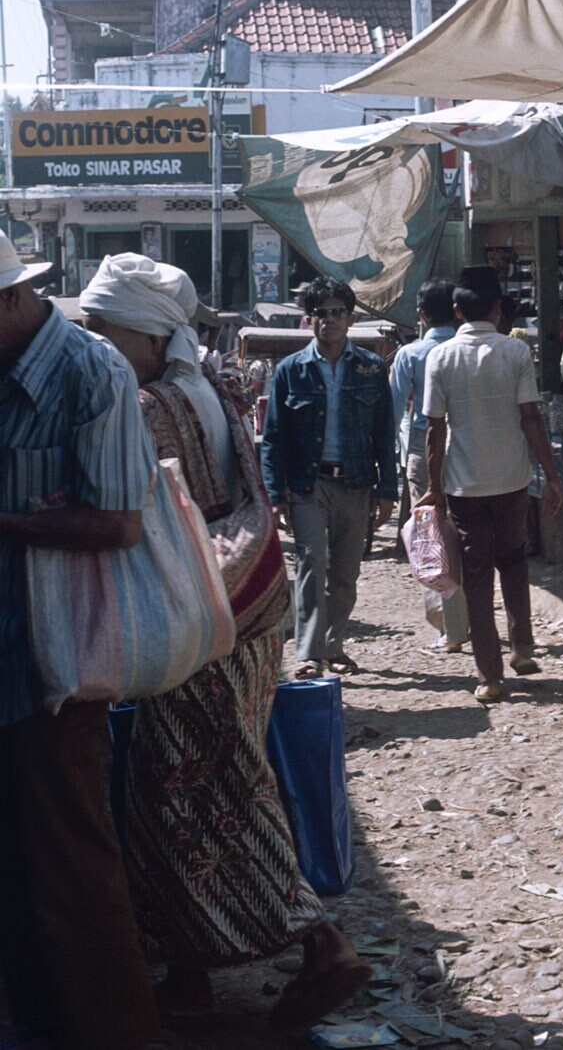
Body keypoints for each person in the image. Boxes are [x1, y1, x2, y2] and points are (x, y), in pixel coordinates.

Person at [80, 254, 371, 1030]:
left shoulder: (152, 406)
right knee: (174, 792)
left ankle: (321, 942)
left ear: (148, 336)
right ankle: (188, 974)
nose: (95, 343)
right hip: (242, 610)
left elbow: (129, 514)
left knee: (218, 789)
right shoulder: (209, 386)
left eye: (105, 329)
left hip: (195, 620)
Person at [0, 233, 159, 1050]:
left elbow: (120, 521)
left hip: (55, 661)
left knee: (72, 862)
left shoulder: (91, 372)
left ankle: (112, 1030)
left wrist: (8, 524)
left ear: (8, 300)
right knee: (17, 868)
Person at [421, 265, 562, 703]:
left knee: (478, 577)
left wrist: (434, 486)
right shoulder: (515, 352)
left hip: (464, 487)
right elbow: (530, 418)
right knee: (515, 561)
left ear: (457, 310)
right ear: (498, 308)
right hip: (512, 481)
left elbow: (434, 429)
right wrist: (552, 475)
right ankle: (522, 647)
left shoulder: (440, 357)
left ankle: (489, 677)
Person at [261, 276, 398, 678]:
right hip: (309, 484)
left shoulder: (370, 368)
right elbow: (274, 437)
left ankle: (333, 645)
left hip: (356, 483)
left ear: (351, 318)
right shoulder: (291, 371)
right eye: (321, 313)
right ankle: (308, 653)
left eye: (338, 312)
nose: (330, 320)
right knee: (311, 561)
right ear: (310, 320)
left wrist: (387, 491)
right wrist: (275, 494)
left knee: (345, 571)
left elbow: (384, 433)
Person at [390, 278, 468, 653]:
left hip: (424, 450)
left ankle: (450, 627)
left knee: (432, 540)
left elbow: (393, 411)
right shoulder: (467, 350)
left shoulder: (410, 354)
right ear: (456, 311)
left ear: (420, 314)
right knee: (465, 535)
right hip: (468, 450)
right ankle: (473, 621)